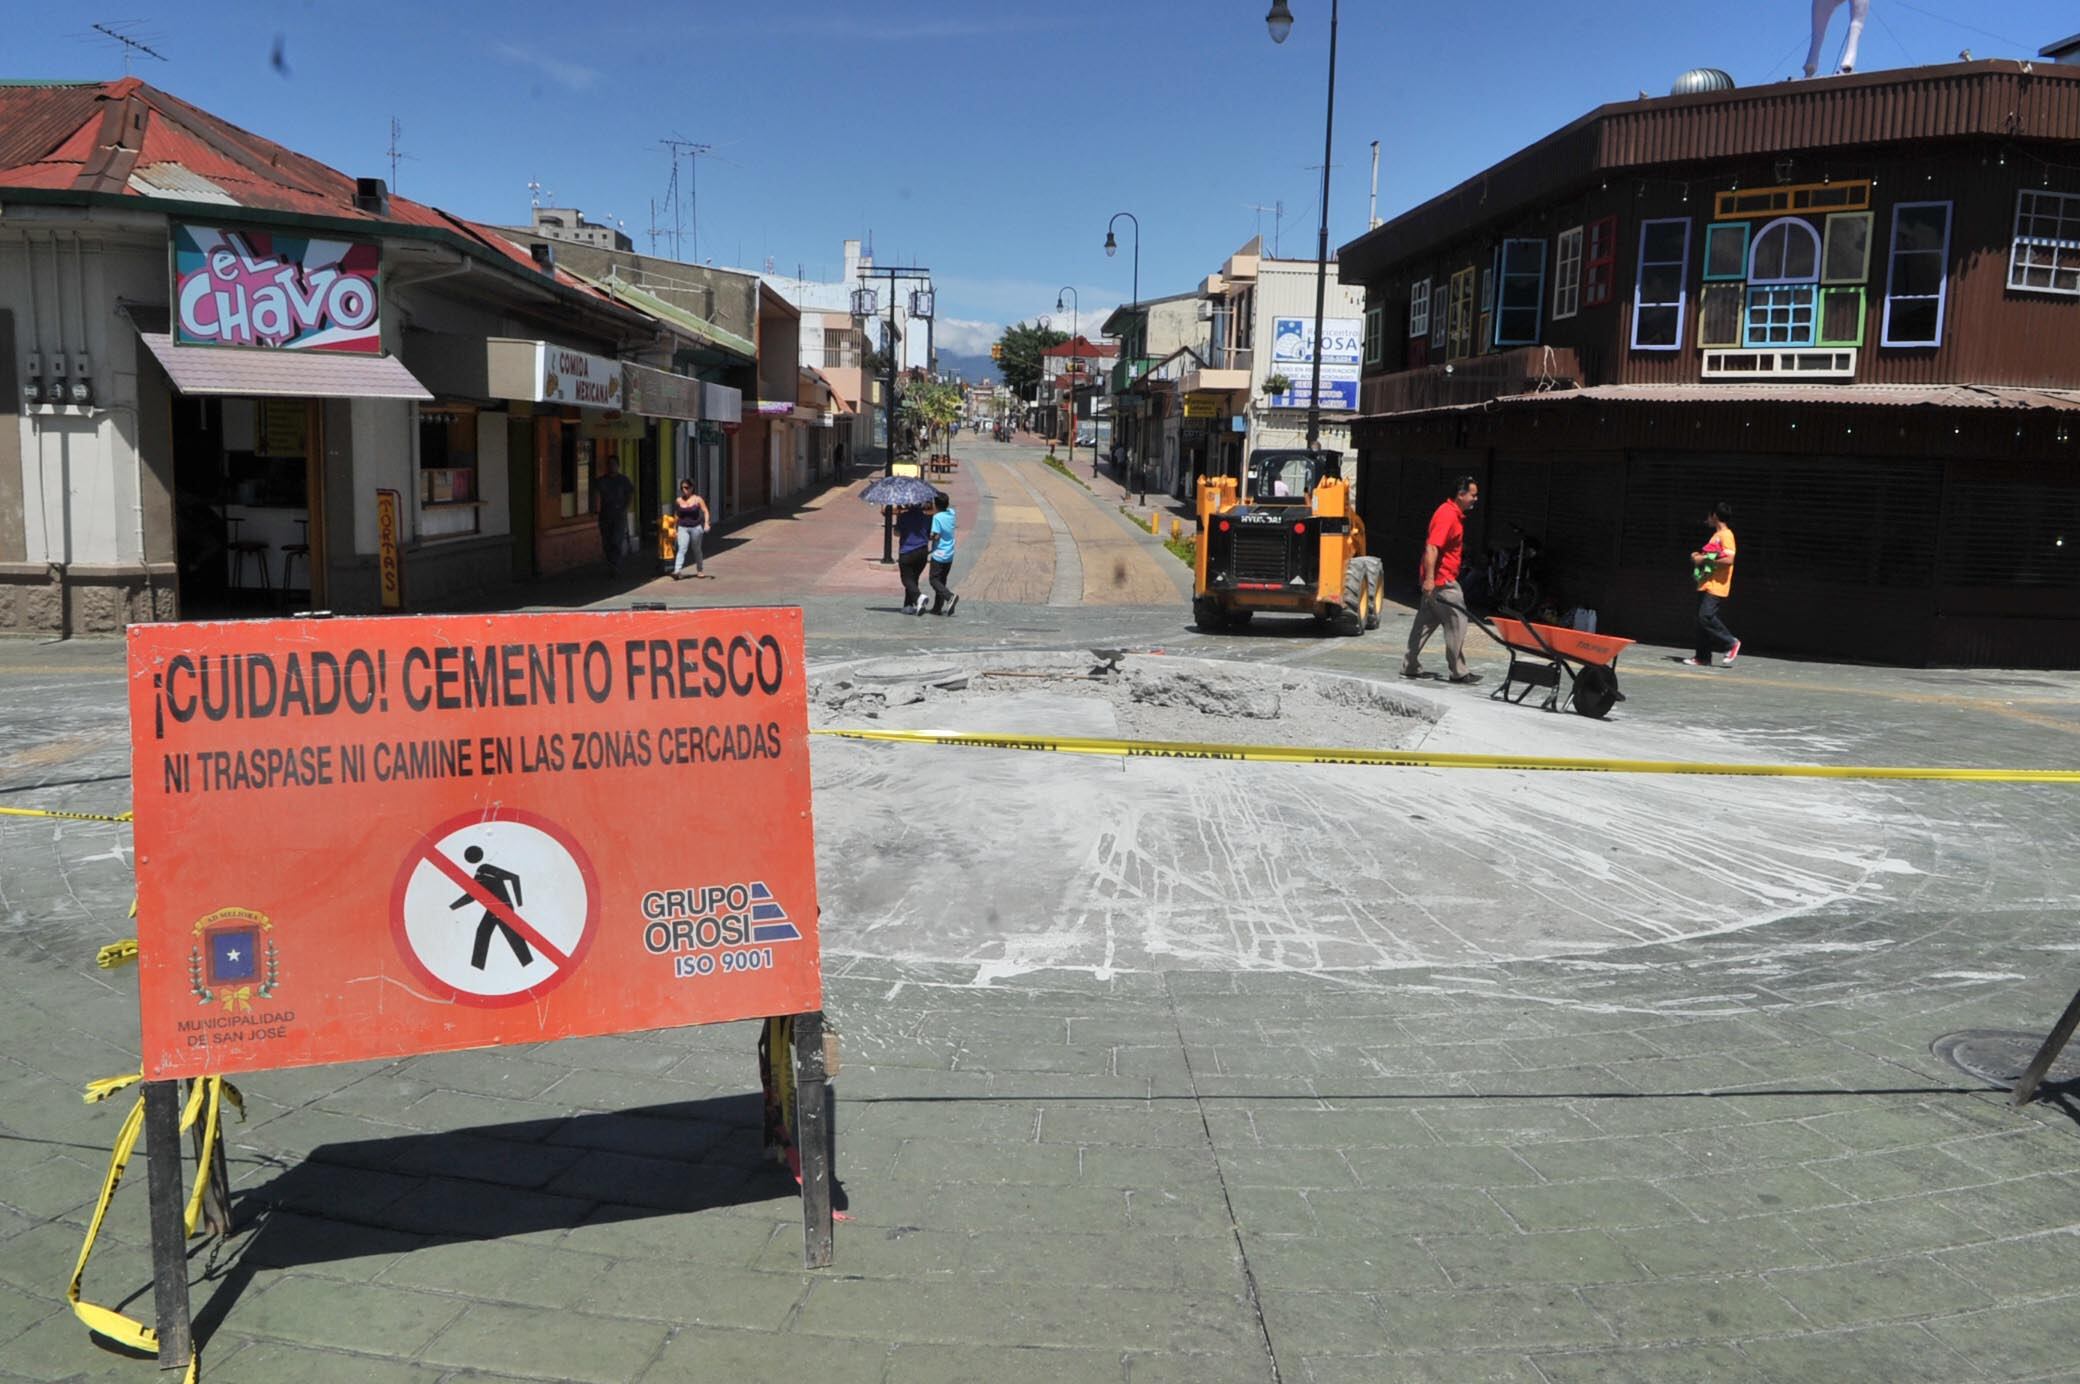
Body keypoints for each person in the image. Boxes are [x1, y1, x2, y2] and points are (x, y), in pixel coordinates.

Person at [1403, 476, 1481, 684]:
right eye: (1473, 495)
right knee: (1458, 621)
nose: (1475, 499)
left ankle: (1410, 665)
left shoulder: (1450, 513)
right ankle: (1458, 671)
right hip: (1443, 582)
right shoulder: (1447, 515)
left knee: (1424, 623)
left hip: (1435, 582)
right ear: (1461, 495)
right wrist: (1430, 580)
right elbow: (1432, 547)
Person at [1684, 501, 1742, 668]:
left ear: (1714, 515)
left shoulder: (1726, 535)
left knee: (1706, 616)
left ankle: (1731, 642)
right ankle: (1702, 657)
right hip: (1706, 583)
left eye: (1709, 515)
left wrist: (1702, 559)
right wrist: (1698, 557)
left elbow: (1729, 559)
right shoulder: (1716, 535)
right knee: (1700, 621)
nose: (1707, 519)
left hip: (1716, 585)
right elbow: (1710, 556)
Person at [596, 457, 634, 575]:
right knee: (606, 542)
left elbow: (630, 494)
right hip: (605, 515)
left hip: (619, 515)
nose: (611, 467)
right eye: (609, 464)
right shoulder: (601, 481)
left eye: (613, 464)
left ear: (618, 466)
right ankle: (611, 564)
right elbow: (595, 495)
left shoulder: (623, 480)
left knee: (616, 540)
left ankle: (616, 565)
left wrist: (625, 508)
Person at [926, 490, 959, 616]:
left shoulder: (937, 518)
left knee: (933, 579)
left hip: (939, 554)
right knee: (942, 581)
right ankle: (937, 608)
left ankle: (949, 597)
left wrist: (928, 537)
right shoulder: (951, 513)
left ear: (936, 505)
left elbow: (936, 535)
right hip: (949, 553)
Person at [894, 501, 931, 614]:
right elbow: (929, 534)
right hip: (922, 551)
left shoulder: (903, 516)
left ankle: (919, 597)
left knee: (906, 578)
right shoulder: (927, 517)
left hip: (907, 551)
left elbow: (896, 533)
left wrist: (898, 516)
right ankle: (909, 605)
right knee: (913, 579)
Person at [670, 480, 711, 580]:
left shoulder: (698, 499)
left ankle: (700, 570)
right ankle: (677, 570)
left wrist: (706, 523)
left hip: (696, 527)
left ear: (692, 488)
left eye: (687, 487)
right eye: (682, 488)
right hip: (682, 527)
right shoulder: (678, 500)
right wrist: (674, 528)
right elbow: (677, 515)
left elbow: (705, 511)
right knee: (682, 548)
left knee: (696, 549)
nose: (684, 490)